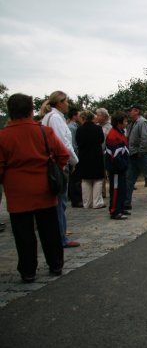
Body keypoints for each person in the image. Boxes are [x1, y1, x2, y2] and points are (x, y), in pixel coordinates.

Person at [0, 93, 68, 282]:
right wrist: (53, 168)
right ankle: (56, 264)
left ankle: (28, 270)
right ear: (31, 110)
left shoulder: (3, 136)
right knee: (50, 229)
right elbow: (63, 154)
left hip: (17, 193)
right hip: (44, 188)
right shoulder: (43, 132)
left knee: (24, 234)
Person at [41, 91, 80, 248]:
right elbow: (62, 143)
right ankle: (60, 237)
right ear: (59, 102)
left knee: (57, 202)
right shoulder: (55, 118)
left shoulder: (49, 117)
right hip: (59, 164)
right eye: (66, 101)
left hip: (54, 163)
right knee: (60, 202)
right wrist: (74, 161)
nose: (68, 104)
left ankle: (59, 232)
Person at [76, 111, 106, 209]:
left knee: (85, 180)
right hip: (96, 156)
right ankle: (97, 202)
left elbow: (77, 142)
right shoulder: (98, 128)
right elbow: (101, 140)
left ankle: (87, 202)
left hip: (84, 157)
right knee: (97, 179)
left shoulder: (79, 129)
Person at [105, 111, 130, 220]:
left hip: (121, 167)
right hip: (116, 168)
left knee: (121, 188)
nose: (127, 123)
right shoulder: (113, 135)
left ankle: (120, 207)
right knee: (115, 189)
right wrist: (122, 165)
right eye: (125, 121)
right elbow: (115, 155)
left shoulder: (120, 132)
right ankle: (114, 210)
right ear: (119, 123)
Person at [67, 107, 83, 207]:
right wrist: (76, 157)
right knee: (75, 179)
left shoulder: (72, 126)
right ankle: (76, 199)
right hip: (74, 156)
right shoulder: (72, 127)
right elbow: (73, 144)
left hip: (74, 155)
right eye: (78, 115)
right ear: (74, 116)